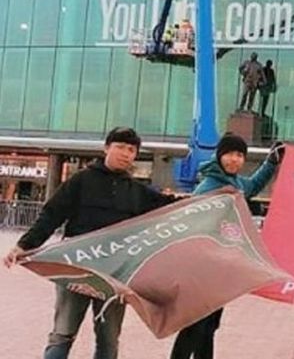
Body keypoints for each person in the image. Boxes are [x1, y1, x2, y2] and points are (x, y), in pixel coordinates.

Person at [3, 127, 178, 359]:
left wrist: (202, 201)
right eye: (120, 147)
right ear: (106, 148)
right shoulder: (81, 180)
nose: (126, 153)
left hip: (116, 274)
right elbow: (52, 214)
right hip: (77, 268)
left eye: (131, 150)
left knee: (108, 338)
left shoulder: (137, 191)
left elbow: (169, 207)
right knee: (63, 333)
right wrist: (23, 245)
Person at [169, 133, 285, 359]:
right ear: (219, 156)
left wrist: (271, 162)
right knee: (196, 326)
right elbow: (190, 226)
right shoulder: (209, 187)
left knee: (208, 326)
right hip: (201, 269)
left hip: (218, 270)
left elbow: (253, 185)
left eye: (239, 155)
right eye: (229, 154)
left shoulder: (234, 183)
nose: (234, 159)